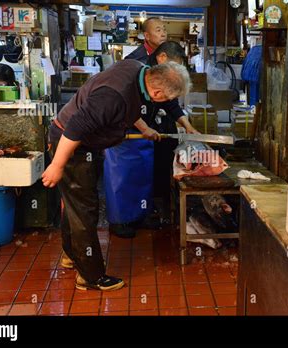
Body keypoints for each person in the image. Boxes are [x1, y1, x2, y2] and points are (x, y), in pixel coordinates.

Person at [42, 60, 191, 291]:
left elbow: (128, 106)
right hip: (70, 144)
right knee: (85, 208)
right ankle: (90, 277)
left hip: (81, 141)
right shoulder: (113, 96)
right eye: (166, 99)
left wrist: (144, 129)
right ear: (158, 92)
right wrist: (57, 165)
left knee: (75, 204)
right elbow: (76, 127)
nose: (166, 103)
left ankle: (73, 255)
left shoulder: (137, 69)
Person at [106, 41, 198, 239]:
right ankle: (120, 220)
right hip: (124, 135)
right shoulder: (136, 68)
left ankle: (141, 215)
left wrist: (187, 126)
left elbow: (172, 103)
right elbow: (124, 105)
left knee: (142, 178)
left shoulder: (162, 79)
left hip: (144, 136)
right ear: (162, 59)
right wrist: (144, 127)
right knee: (122, 179)